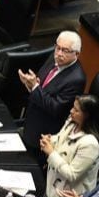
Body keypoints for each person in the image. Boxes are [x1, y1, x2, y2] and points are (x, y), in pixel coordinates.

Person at [20, 31, 86, 159]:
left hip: (43, 133)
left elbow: (55, 108)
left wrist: (34, 87)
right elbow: (42, 83)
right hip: (31, 120)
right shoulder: (54, 58)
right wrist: (31, 84)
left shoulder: (76, 79)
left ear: (76, 54)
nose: (59, 53)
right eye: (58, 48)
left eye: (65, 50)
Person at [44, 94, 99, 197]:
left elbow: (72, 174)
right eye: (73, 107)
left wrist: (51, 153)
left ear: (87, 115)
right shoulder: (72, 122)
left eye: (76, 110)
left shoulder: (90, 144)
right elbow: (61, 138)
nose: (71, 111)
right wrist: (50, 140)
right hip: (51, 186)